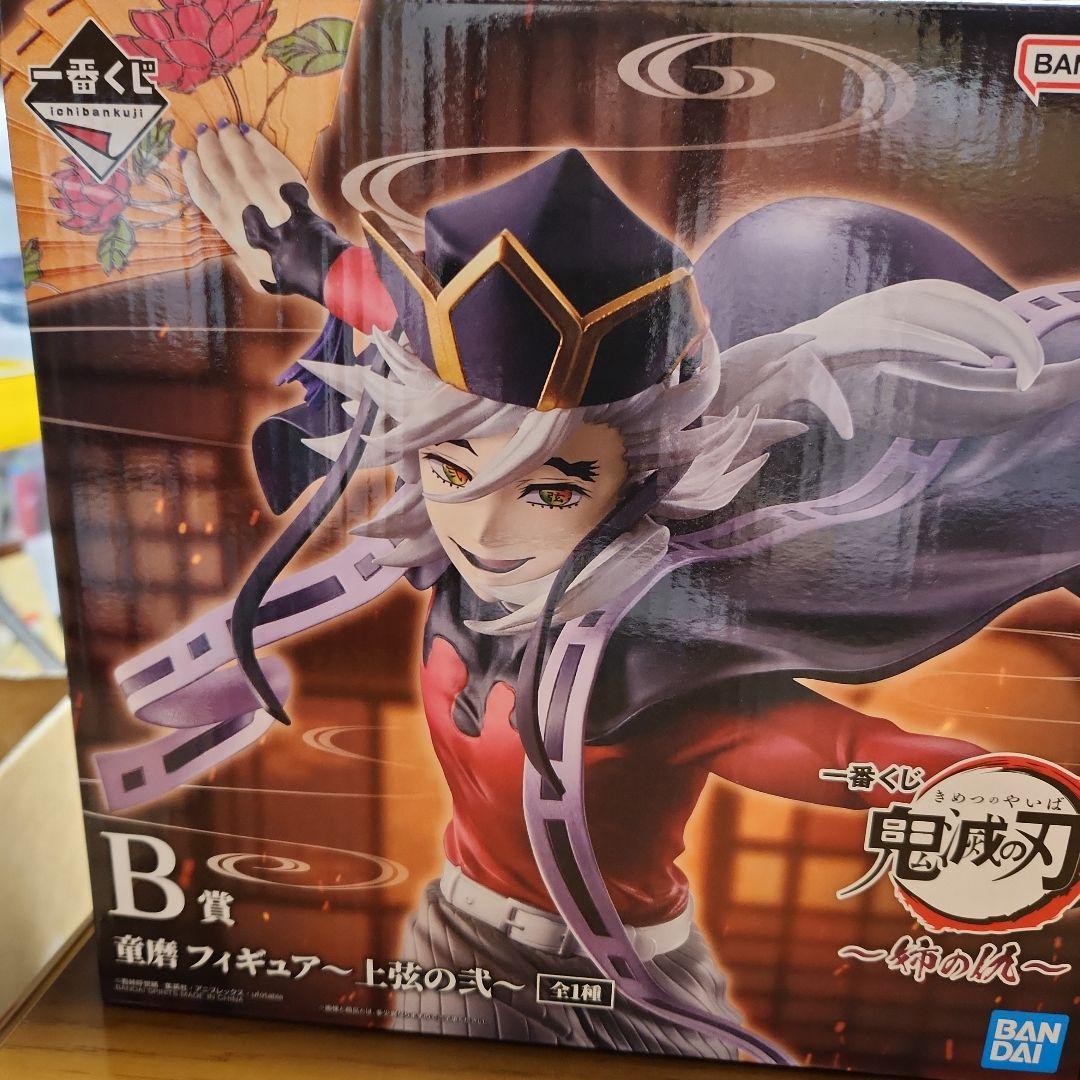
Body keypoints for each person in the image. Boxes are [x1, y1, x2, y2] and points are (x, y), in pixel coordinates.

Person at [104, 126, 1080, 1060]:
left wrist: (992, 800)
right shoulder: (443, 559)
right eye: (450, 470)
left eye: (552, 489)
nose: (485, 529)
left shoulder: (652, 653)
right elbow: (408, 325)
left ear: (639, 475)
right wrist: (302, 250)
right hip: (457, 955)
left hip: (643, 982)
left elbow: (839, 753)